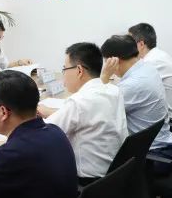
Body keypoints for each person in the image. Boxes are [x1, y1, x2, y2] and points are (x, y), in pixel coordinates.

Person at [39, 42, 127, 182]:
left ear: (79, 70)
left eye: (64, 69)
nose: (63, 74)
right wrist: (50, 112)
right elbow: (84, 115)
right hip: (114, 174)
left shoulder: (78, 102)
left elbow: (42, 135)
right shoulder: (114, 90)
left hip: (87, 181)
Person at [99, 34, 172, 172]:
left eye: (106, 61)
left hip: (152, 155)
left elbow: (97, 109)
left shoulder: (133, 85)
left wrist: (104, 77)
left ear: (115, 61)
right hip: (162, 144)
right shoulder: (147, 68)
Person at [127, 23, 172, 121]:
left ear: (141, 44)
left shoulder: (151, 62)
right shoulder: (159, 55)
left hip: (170, 122)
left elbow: (130, 90)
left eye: (128, 43)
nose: (125, 46)